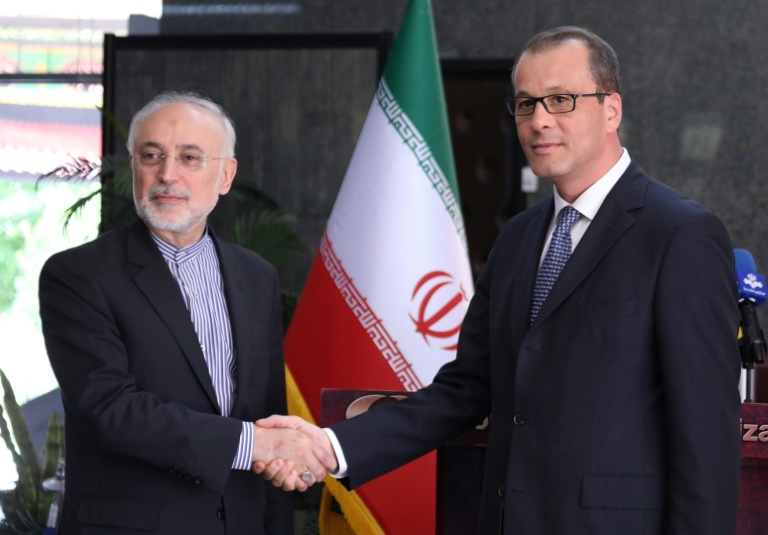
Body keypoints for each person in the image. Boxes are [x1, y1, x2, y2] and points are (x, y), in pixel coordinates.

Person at [256, 26, 742, 534]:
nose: (539, 120)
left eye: (561, 100)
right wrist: (330, 447)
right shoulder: (517, 237)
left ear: (611, 109)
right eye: (526, 104)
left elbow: (706, 434)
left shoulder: (680, 234)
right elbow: (466, 390)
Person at [39, 91, 334, 534]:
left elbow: (269, 414)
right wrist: (254, 444)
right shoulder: (77, 275)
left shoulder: (257, 277)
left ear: (225, 175)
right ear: (134, 165)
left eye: (189, 158)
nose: (167, 174)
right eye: (151, 156)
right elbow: (110, 410)